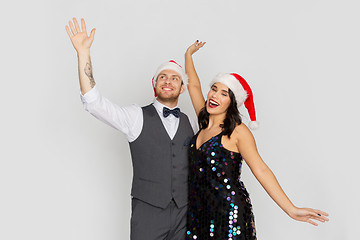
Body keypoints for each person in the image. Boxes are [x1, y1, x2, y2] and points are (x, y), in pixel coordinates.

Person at [65, 18, 197, 240]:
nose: (168, 81)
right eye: (162, 77)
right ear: (154, 84)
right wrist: (83, 54)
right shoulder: (136, 116)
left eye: (175, 78)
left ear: (183, 88)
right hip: (148, 211)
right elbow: (94, 103)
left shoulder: (192, 122)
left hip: (185, 212)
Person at [184, 41, 329, 239]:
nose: (214, 95)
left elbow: (260, 169)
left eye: (223, 93)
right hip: (198, 211)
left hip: (227, 212)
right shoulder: (204, 120)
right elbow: (193, 85)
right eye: (214, 89)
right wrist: (189, 55)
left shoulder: (238, 131)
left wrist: (291, 209)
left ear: (232, 102)